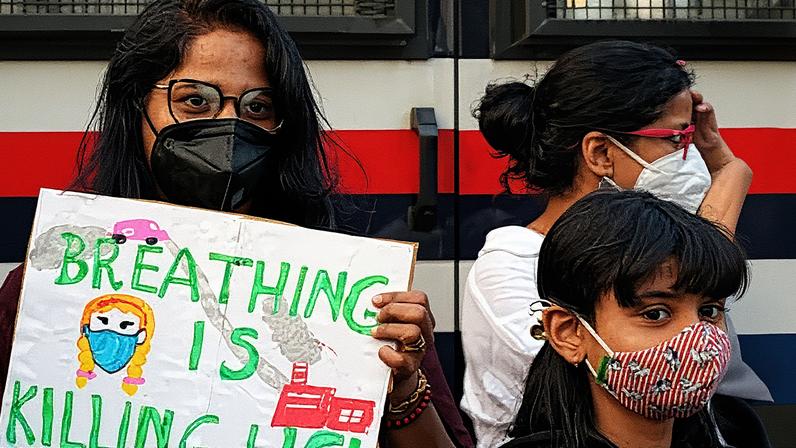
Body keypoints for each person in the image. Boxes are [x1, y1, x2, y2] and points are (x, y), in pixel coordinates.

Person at [0, 1, 472, 446]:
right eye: (195, 101)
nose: (229, 127)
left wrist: (402, 386)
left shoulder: (352, 299)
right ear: (134, 108)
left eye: (257, 108)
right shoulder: (50, 288)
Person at [460, 40, 771, 447]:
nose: (689, 156)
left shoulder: (659, 249)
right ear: (602, 152)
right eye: (675, 139)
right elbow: (641, 378)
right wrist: (728, 179)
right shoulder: (510, 265)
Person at [501, 190, 771, 448]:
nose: (698, 337)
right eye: (655, 314)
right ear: (568, 333)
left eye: (709, 311)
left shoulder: (739, 432)